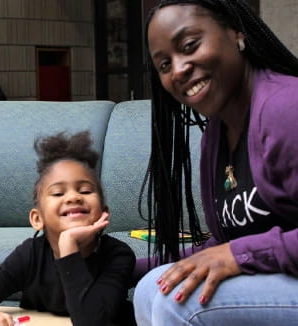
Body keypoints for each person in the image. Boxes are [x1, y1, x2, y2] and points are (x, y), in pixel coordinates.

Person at [133, 0, 298, 325]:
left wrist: (242, 254)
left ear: (237, 34)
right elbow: (224, 248)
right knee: (150, 288)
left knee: (180, 302)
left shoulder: (286, 109)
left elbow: (236, 252)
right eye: (164, 64)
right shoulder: (217, 135)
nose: (178, 69)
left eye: (190, 46)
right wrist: (120, 265)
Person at [0, 131, 136, 326]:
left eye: (85, 190)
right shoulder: (31, 254)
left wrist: (68, 248)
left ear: (103, 212)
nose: (73, 197)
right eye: (58, 193)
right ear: (37, 219)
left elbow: (92, 321)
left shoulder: (118, 255)